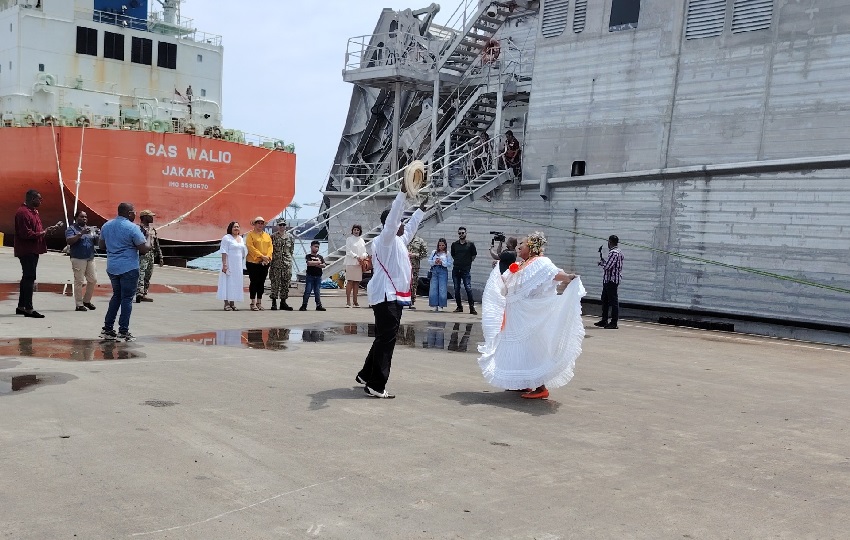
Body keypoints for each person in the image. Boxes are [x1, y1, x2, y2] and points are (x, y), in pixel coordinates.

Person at [478, 231, 585, 399]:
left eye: (523, 244)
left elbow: (553, 274)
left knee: (531, 348)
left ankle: (540, 387)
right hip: (516, 315)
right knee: (518, 348)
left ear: (532, 247)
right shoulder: (522, 264)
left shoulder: (541, 262)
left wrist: (569, 277)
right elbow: (509, 282)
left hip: (529, 315)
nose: (519, 247)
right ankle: (523, 382)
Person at [355, 188, 427, 399]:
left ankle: (365, 375)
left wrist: (421, 210)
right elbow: (395, 215)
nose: (403, 225)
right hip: (387, 297)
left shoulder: (398, 241)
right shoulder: (385, 239)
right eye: (399, 222)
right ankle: (376, 385)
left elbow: (411, 228)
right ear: (392, 225)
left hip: (391, 296)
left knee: (383, 338)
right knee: (387, 341)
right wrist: (403, 194)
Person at [99, 202, 149, 341]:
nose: (135, 214)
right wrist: (149, 238)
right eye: (134, 212)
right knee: (127, 299)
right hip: (128, 268)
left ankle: (107, 329)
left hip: (112, 267)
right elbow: (144, 249)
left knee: (116, 296)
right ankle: (123, 331)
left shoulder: (106, 225)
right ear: (129, 213)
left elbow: (101, 245)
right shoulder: (132, 228)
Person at [14, 189, 63, 318]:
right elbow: (26, 234)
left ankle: (21, 306)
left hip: (32, 249)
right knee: (30, 277)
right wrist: (43, 232)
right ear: (32, 199)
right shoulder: (23, 213)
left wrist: (46, 231)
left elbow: (36, 230)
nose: (41, 201)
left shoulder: (33, 212)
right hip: (27, 250)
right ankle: (28, 308)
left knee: (27, 277)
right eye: (39, 199)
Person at [65, 210, 99, 312]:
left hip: (90, 257)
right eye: (82, 217)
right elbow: (69, 241)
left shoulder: (89, 229)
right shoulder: (71, 229)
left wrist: (97, 234)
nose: (84, 219)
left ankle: (86, 301)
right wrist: (80, 234)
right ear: (76, 218)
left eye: (85, 217)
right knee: (79, 281)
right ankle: (79, 304)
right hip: (78, 258)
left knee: (93, 280)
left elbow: (96, 242)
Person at [595, 234, 623, 330]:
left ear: (610, 242)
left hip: (611, 280)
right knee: (605, 300)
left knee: (613, 301)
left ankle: (613, 322)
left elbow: (608, 267)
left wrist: (602, 263)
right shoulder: (619, 252)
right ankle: (604, 320)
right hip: (610, 280)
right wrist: (604, 262)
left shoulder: (613, 253)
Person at [217, 221, 247, 311]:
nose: (236, 228)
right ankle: (226, 303)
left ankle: (232, 303)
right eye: (234, 227)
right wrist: (225, 265)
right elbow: (223, 251)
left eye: (238, 227)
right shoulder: (226, 238)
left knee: (235, 283)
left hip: (238, 265)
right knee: (227, 282)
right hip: (229, 263)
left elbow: (243, 252)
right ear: (230, 228)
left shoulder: (241, 238)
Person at [245, 216, 272, 310]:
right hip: (253, 262)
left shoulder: (267, 235)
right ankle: (252, 302)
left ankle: (259, 302)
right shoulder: (250, 235)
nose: (260, 225)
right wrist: (262, 256)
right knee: (254, 281)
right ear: (255, 224)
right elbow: (250, 247)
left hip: (265, 262)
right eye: (258, 223)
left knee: (261, 282)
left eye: (262, 223)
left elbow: (270, 247)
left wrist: (267, 257)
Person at [136, 209, 163, 303]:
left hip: (151, 254)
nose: (152, 218)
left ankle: (144, 293)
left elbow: (156, 243)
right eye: (150, 216)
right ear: (144, 217)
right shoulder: (138, 229)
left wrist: (160, 256)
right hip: (142, 253)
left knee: (148, 274)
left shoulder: (152, 230)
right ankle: (139, 293)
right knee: (141, 273)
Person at [450, 226, 478, 314]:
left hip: (465, 270)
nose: (461, 235)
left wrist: (467, 262)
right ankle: (459, 307)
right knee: (456, 288)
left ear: (466, 233)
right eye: (459, 233)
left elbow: (473, 256)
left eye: (462, 233)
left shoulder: (470, 244)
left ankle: (472, 308)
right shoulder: (454, 245)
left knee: (468, 288)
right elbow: (453, 255)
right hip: (456, 269)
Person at [268, 220, 295, 311]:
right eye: (280, 225)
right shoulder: (273, 237)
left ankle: (283, 302)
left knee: (285, 283)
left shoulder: (290, 237)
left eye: (283, 225)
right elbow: (270, 250)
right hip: (276, 263)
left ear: (285, 226)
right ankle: (274, 302)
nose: (282, 226)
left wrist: (288, 260)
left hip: (286, 263)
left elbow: (291, 250)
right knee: (275, 283)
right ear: (277, 226)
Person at [343, 224, 368, 308]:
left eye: (357, 230)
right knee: (350, 281)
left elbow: (364, 251)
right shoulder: (349, 239)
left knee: (356, 282)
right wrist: (356, 257)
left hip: (359, 264)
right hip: (350, 262)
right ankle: (348, 301)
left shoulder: (361, 240)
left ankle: (355, 301)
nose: (356, 231)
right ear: (352, 230)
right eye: (354, 230)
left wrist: (363, 256)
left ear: (360, 231)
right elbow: (348, 251)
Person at [299, 240, 326, 311]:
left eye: (318, 247)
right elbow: (309, 263)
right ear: (311, 247)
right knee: (307, 291)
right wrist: (318, 263)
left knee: (317, 291)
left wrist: (315, 264)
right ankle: (304, 305)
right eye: (315, 247)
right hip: (310, 276)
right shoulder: (308, 256)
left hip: (318, 276)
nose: (316, 248)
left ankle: (319, 305)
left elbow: (323, 265)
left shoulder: (320, 256)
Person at [428, 238, 452, 312]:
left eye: (442, 245)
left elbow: (449, 263)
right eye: (439, 245)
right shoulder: (434, 252)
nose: (441, 247)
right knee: (433, 288)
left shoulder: (447, 253)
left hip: (443, 270)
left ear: (445, 246)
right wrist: (435, 262)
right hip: (435, 270)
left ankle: (441, 305)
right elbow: (429, 261)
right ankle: (434, 304)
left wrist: (442, 263)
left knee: (442, 288)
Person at [407, 234, 428, 309]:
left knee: (413, 283)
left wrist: (415, 255)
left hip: (414, 266)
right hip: (404, 265)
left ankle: (411, 301)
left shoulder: (419, 241)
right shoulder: (404, 239)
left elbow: (424, 253)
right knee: (404, 282)